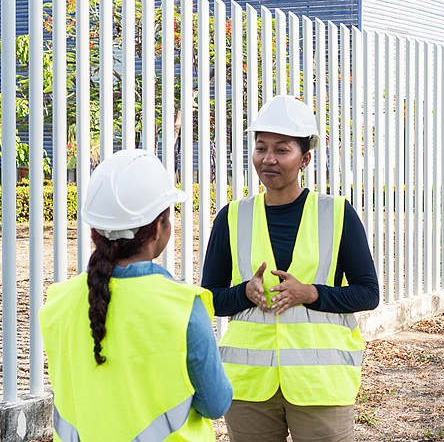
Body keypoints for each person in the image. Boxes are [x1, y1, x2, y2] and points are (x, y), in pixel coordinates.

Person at [201, 94, 380, 442]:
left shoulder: (338, 213)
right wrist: (245, 293)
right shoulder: (232, 217)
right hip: (249, 387)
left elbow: (368, 292)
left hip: (320, 385)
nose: (268, 159)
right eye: (261, 148)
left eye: (282, 150)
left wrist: (310, 293)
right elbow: (211, 297)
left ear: (305, 158)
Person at [40, 149, 232, 442]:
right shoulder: (182, 307)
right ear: (159, 228)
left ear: (96, 231)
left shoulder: (58, 302)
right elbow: (215, 402)